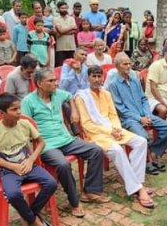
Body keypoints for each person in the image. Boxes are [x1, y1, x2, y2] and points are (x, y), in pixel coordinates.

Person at [22, 68, 109, 218]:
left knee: (96, 150)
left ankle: (90, 191)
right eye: (51, 81)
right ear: (40, 84)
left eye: (55, 80)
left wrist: (74, 111)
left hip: (65, 139)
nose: (56, 83)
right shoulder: (28, 101)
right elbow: (24, 126)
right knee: (63, 164)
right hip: (46, 144)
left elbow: (70, 96)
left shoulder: (57, 94)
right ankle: (74, 202)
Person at [0, 93, 59, 226]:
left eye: (19, 108)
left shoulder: (25, 124)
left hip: (28, 165)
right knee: (13, 195)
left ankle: (28, 220)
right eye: (14, 109)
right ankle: (37, 222)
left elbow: (41, 142)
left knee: (51, 183)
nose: (19, 112)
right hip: (9, 170)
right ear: (1, 113)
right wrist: (13, 167)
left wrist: (31, 159)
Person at [75, 66, 155, 208]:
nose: (97, 79)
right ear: (88, 78)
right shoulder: (82, 97)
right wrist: (109, 132)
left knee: (141, 142)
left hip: (113, 130)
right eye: (93, 76)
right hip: (95, 135)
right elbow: (86, 125)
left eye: (99, 76)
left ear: (103, 78)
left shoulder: (106, 94)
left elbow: (113, 115)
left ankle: (136, 183)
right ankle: (139, 189)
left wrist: (117, 128)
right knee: (118, 150)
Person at [108, 52, 167, 173]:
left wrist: (147, 115)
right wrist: (140, 119)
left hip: (144, 115)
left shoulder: (134, 80)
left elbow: (144, 99)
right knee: (144, 137)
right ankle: (146, 162)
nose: (128, 66)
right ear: (117, 66)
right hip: (128, 119)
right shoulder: (113, 84)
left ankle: (154, 153)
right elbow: (120, 109)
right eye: (125, 64)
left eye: (129, 63)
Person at [146, 44, 167, 118]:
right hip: (153, 97)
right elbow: (153, 89)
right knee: (163, 109)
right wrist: (165, 103)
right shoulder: (156, 65)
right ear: (165, 54)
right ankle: (160, 128)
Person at [53, 1, 77, 66]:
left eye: (65, 8)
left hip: (71, 47)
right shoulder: (56, 19)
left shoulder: (71, 18)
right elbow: (60, 31)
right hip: (60, 48)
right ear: (58, 9)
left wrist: (62, 31)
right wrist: (71, 27)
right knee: (60, 67)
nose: (64, 10)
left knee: (72, 67)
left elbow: (74, 31)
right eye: (62, 8)